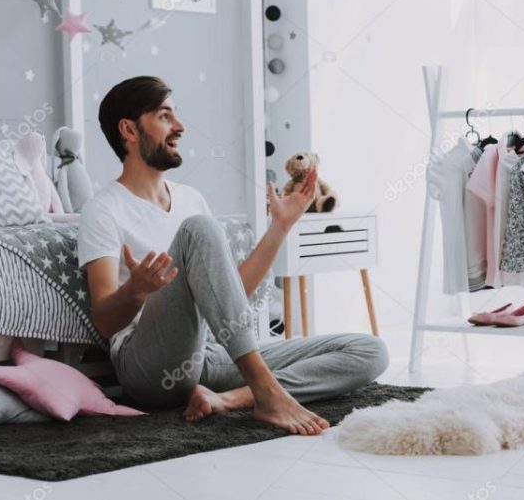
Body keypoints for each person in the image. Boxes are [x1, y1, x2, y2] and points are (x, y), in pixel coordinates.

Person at [78, 75, 389, 434]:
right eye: (165, 116)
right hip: (149, 367)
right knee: (199, 228)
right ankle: (267, 391)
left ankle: (232, 398)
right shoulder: (103, 209)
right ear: (129, 130)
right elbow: (103, 319)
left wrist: (280, 226)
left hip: (207, 356)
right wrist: (136, 289)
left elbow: (231, 296)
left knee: (369, 351)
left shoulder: (191, 197)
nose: (179, 127)